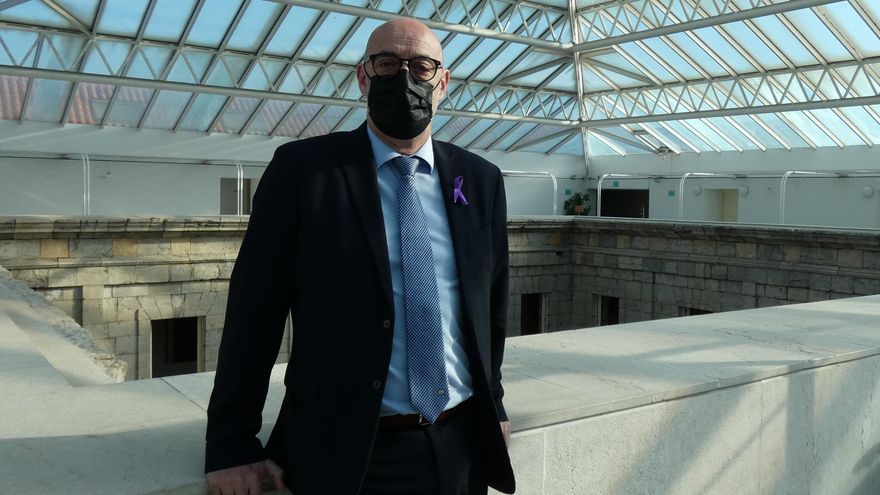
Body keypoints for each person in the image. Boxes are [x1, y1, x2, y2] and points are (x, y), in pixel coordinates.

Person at [204, 17, 515, 495]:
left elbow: (489, 308)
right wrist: (231, 443)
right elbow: (253, 314)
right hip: (347, 453)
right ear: (363, 76)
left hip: (462, 446)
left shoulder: (479, 179)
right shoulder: (304, 172)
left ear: (444, 82)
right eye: (388, 64)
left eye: (422, 67)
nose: (405, 79)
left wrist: (493, 406)